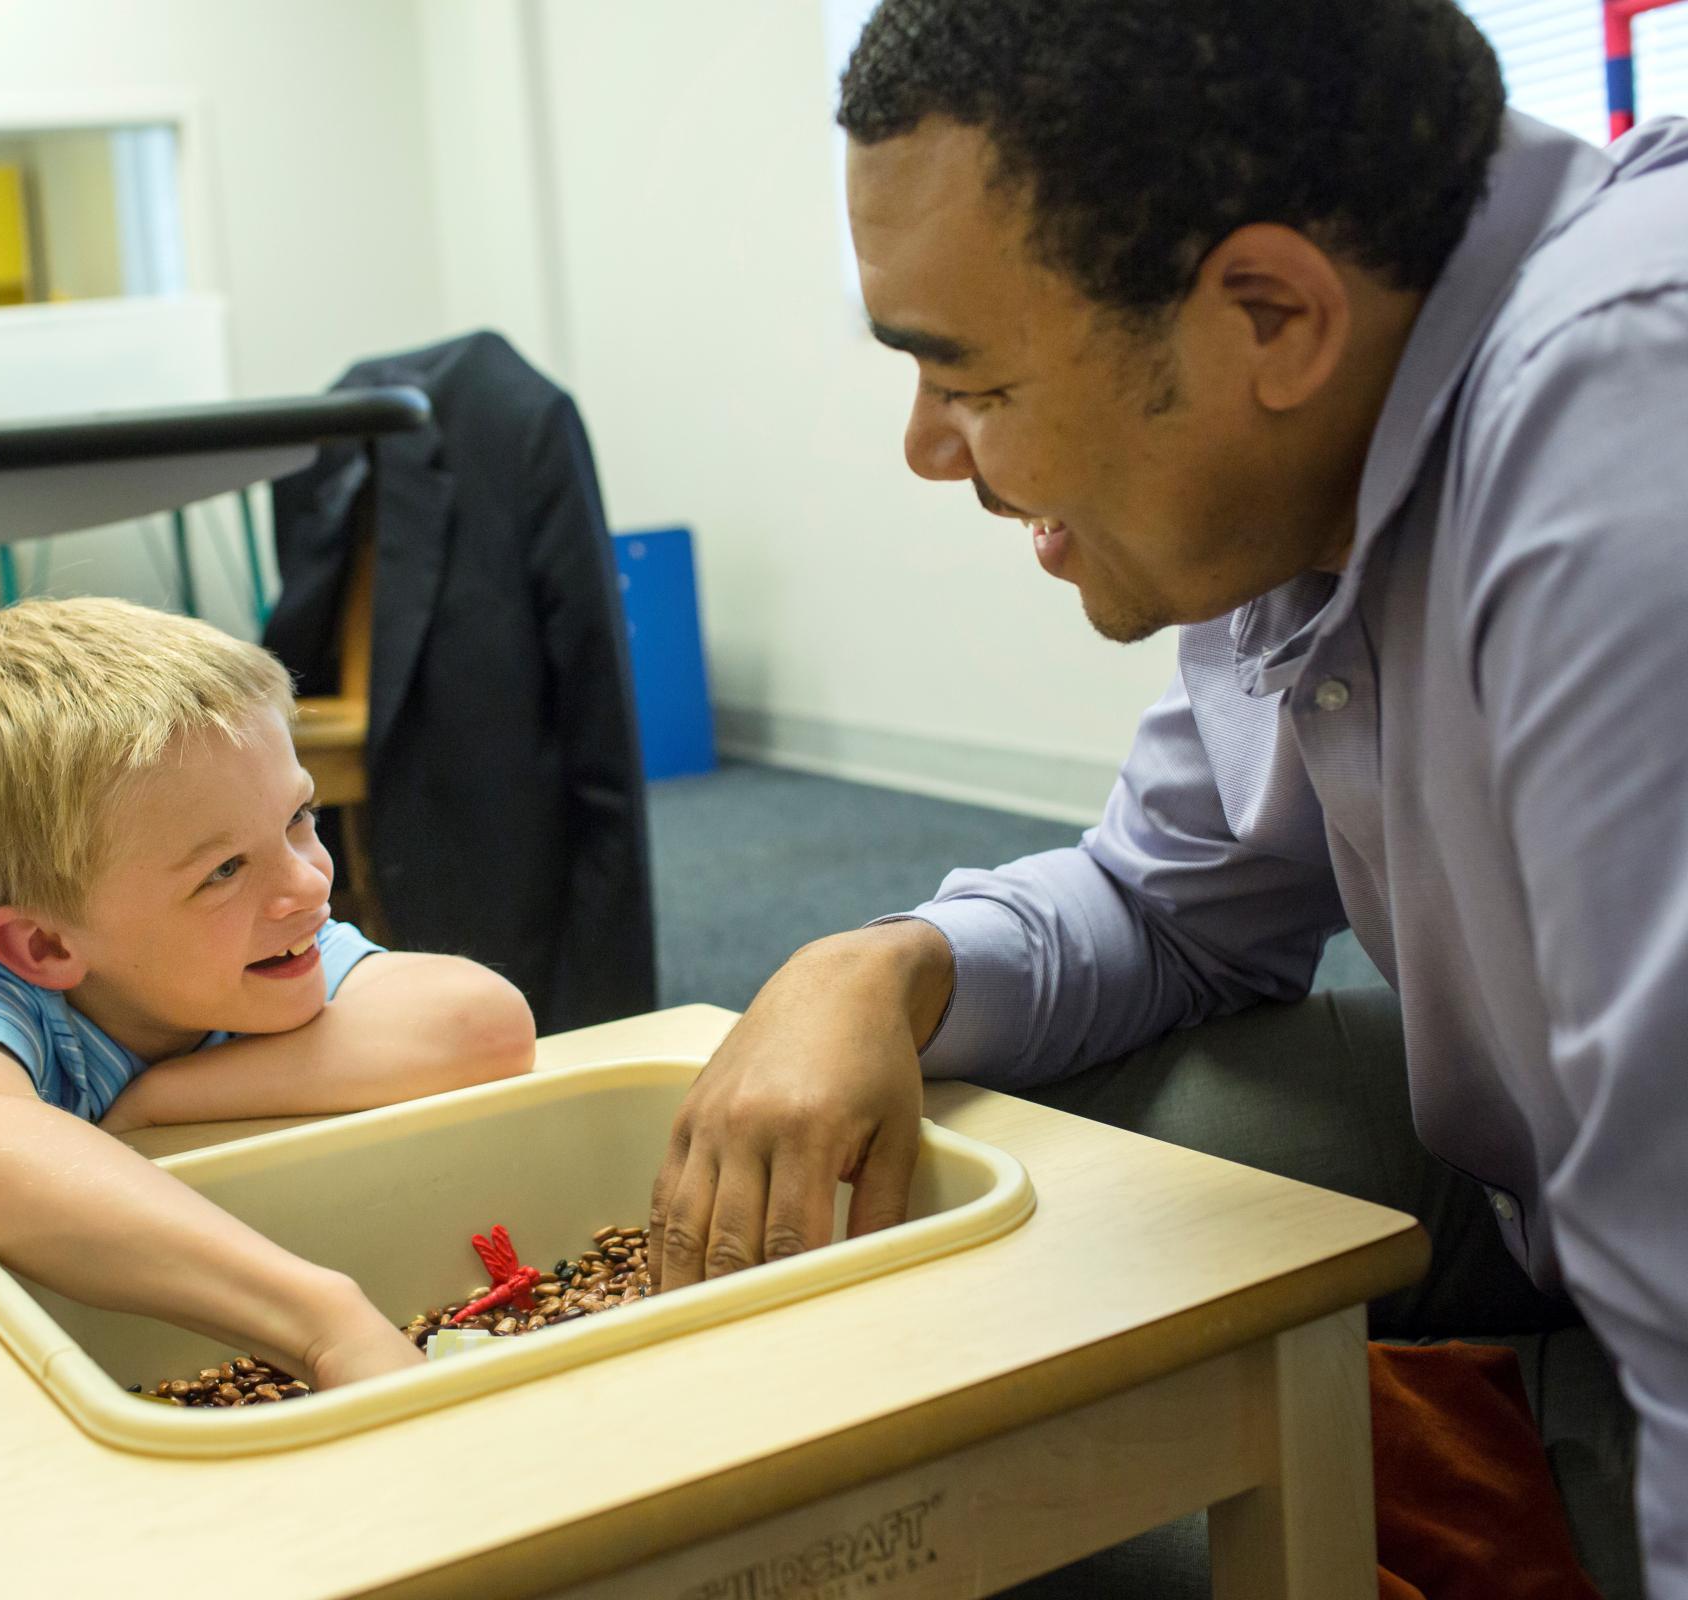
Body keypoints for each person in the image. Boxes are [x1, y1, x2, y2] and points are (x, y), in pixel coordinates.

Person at [649, 2, 1686, 1595]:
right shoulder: (1318, 461)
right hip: (1559, 1191)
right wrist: (882, 963)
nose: (932, 450)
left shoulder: (1623, 455)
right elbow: (1168, 904)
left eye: (971, 378)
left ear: (1269, 315)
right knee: (1002, 1124)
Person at [0, 596, 536, 1599]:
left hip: (90, 1369)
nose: (308, 886)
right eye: (225, 868)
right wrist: (320, 1319)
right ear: (47, 947)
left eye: (299, 818)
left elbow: (479, 1026)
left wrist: (158, 1100)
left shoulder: (258, 951)